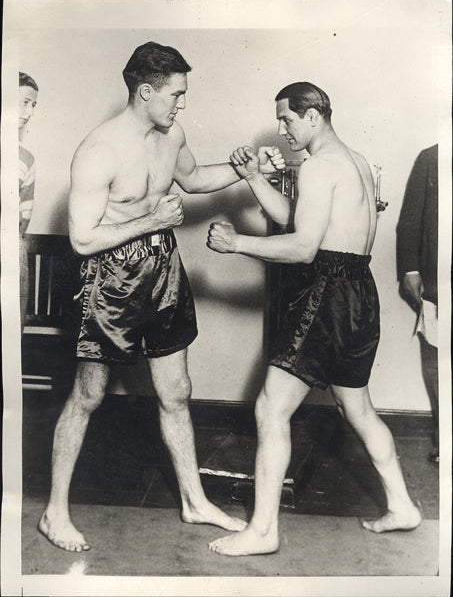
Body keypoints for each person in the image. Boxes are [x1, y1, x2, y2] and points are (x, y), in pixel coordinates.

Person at [38, 41, 284, 552]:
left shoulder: (171, 134)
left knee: (177, 391)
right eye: (175, 93)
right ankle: (54, 512)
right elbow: (82, 239)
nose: (182, 103)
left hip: (162, 269)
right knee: (88, 394)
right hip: (110, 277)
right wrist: (151, 220)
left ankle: (193, 501)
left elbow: (192, 181)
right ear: (144, 90)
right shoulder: (99, 150)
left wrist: (245, 169)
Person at [207, 82, 422, 556]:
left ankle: (262, 531)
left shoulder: (321, 165)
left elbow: (305, 248)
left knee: (270, 408)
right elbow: (306, 221)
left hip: (327, 293)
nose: (282, 130)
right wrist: (253, 179)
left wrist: (237, 243)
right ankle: (403, 506)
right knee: (358, 409)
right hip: (359, 293)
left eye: (286, 119)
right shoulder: (355, 161)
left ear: (313, 116)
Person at [396, 145, 439, 464]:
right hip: (440, 285)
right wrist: (411, 268)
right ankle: (445, 437)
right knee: (437, 362)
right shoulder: (431, 157)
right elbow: (411, 219)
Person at [19, 71, 39, 333]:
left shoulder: (26, 159)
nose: (30, 111)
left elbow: (23, 218)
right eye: (24, 102)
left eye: (33, 104)